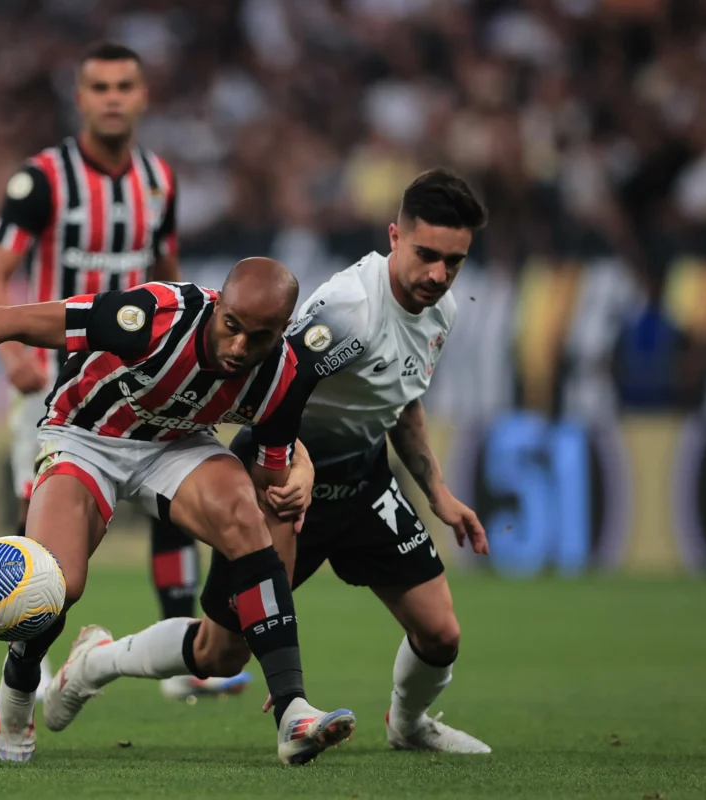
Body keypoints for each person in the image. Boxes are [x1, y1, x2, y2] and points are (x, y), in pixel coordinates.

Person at [0, 257, 356, 766]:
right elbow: (8, 320)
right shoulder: (153, 317)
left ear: (282, 332)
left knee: (251, 517)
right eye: (231, 325)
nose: (238, 347)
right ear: (218, 306)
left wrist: (270, 612)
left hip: (176, 445)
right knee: (56, 582)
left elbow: (271, 484)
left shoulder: (284, 374)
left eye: (258, 337)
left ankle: (292, 710)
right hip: (85, 436)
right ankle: (17, 689)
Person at [45, 169, 494, 754]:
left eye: (453, 262)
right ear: (394, 237)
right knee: (219, 652)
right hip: (280, 481)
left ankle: (407, 725)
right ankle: (94, 663)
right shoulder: (347, 313)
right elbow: (275, 396)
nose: (438, 274)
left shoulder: (442, 310)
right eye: (427, 255)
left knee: (441, 633)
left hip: (362, 483)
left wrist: (438, 494)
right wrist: (296, 471)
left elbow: (402, 397)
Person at [0, 41, 237, 702]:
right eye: (101, 87)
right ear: (81, 98)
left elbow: (168, 273)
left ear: (143, 96)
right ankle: (26, 653)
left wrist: (190, 357)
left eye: (126, 85)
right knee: (36, 512)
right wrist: (11, 352)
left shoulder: (159, 180)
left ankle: (181, 663)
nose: (114, 97)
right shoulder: (41, 179)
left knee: (177, 506)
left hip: (144, 377)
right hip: (56, 382)